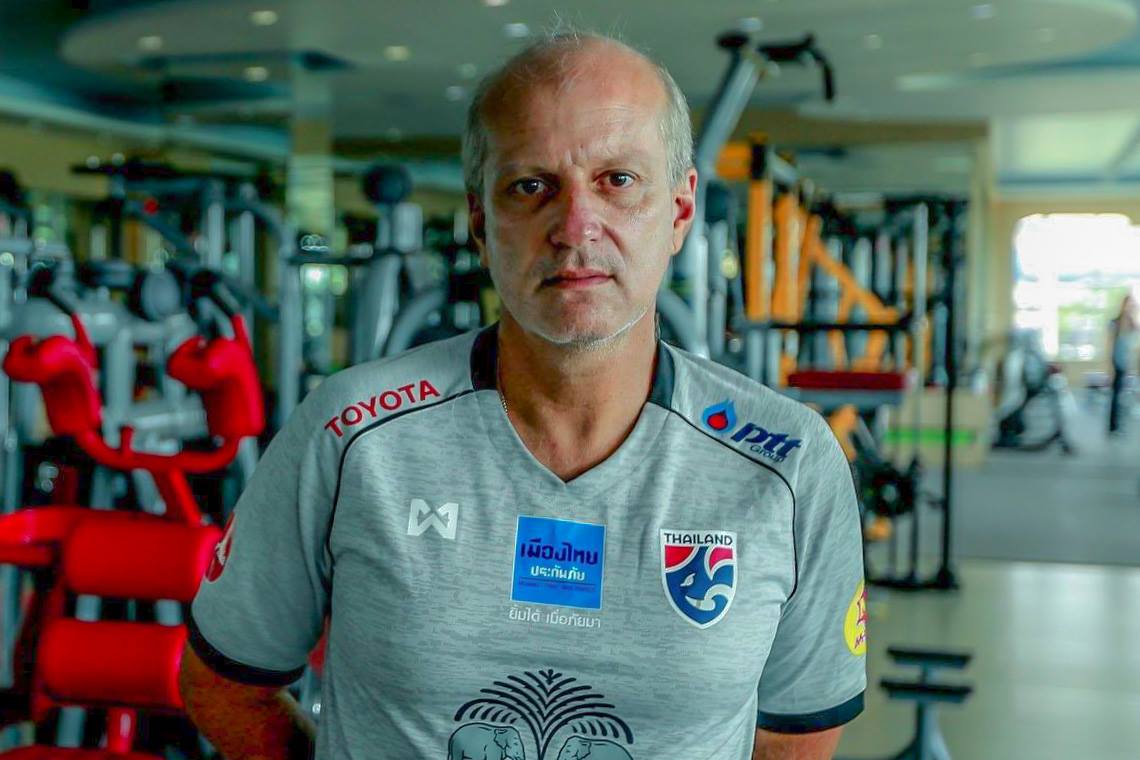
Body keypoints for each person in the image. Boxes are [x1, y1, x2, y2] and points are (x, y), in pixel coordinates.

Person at [179, 30, 867, 760]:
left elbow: (797, 735)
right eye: (531, 187)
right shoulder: (351, 434)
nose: (575, 228)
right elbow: (224, 684)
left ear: (679, 211)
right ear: (480, 221)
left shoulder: (790, 464)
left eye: (617, 180)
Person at [1108, 293, 1137, 435]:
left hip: (1126, 362)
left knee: (1123, 395)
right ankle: (1113, 427)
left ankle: (1119, 425)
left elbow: (1133, 343)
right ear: (1123, 305)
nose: (1130, 306)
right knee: (1116, 395)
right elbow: (1109, 344)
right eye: (1128, 304)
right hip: (1117, 362)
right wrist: (1108, 366)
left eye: (1132, 304)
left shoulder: (1132, 323)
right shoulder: (1115, 322)